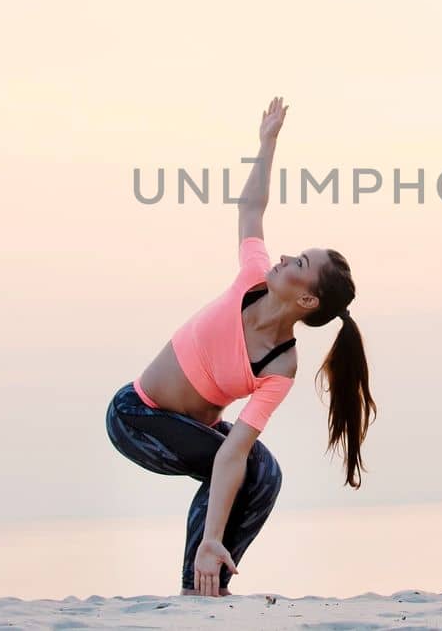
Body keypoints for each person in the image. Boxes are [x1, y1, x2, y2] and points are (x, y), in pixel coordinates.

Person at [105, 96, 378, 597]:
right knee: (238, 464)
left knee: (264, 473)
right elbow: (251, 207)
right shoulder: (253, 277)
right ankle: (197, 580)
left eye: (300, 263)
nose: (287, 257)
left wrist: (214, 537)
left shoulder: (281, 365)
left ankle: (211, 578)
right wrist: (267, 143)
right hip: (134, 416)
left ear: (307, 297)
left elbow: (235, 451)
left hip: (192, 428)